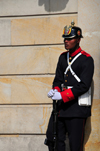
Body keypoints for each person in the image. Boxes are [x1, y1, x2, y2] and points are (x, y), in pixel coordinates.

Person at [44, 21, 94, 151]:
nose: (66, 41)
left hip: (76, 109)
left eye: (69, 39)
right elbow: (58, 79)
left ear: (78, 40)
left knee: (75, 145)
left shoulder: (86, 59)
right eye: (65, 39)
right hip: (60, 109)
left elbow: (84, 85)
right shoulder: (62, 57)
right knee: (53, 140)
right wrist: (55, 91)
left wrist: (62, 95)